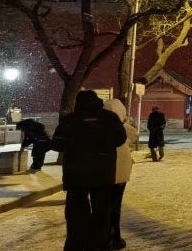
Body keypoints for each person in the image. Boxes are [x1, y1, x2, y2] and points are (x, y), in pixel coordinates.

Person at [51, 90, 127, 251]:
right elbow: (120, 140)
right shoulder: (109, 118)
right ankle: (99, 244)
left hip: (76, 175)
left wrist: (76, 145)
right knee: (102, 212)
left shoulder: (69, 120)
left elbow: (57, 144)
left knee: (76, 213)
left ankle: (76, 244)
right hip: (103, 173)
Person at [104, 98, 139, 250]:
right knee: (115, 206)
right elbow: (135, 136)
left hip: (102, 173)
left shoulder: (98, 126)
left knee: (103, 207)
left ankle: (103, 237)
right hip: (120, 174)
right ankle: (114, 237)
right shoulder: (123, 127)